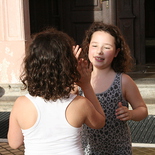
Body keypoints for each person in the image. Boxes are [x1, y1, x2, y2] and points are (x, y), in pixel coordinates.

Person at [7, 28, 105, 155]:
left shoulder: (21, 104)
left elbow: (14, 143)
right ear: (67, 66)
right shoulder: (80, 104)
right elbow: (99, 122)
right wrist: (86, 85)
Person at [77, 22, 148, 155]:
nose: (99, 51)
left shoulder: (123, 81)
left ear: (116, 52)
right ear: (87, 48)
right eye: (95, 45)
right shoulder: (80, 80)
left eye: (107, 47)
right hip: (87, 149)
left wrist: (131, 114)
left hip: (118, 149)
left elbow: (143, 109)